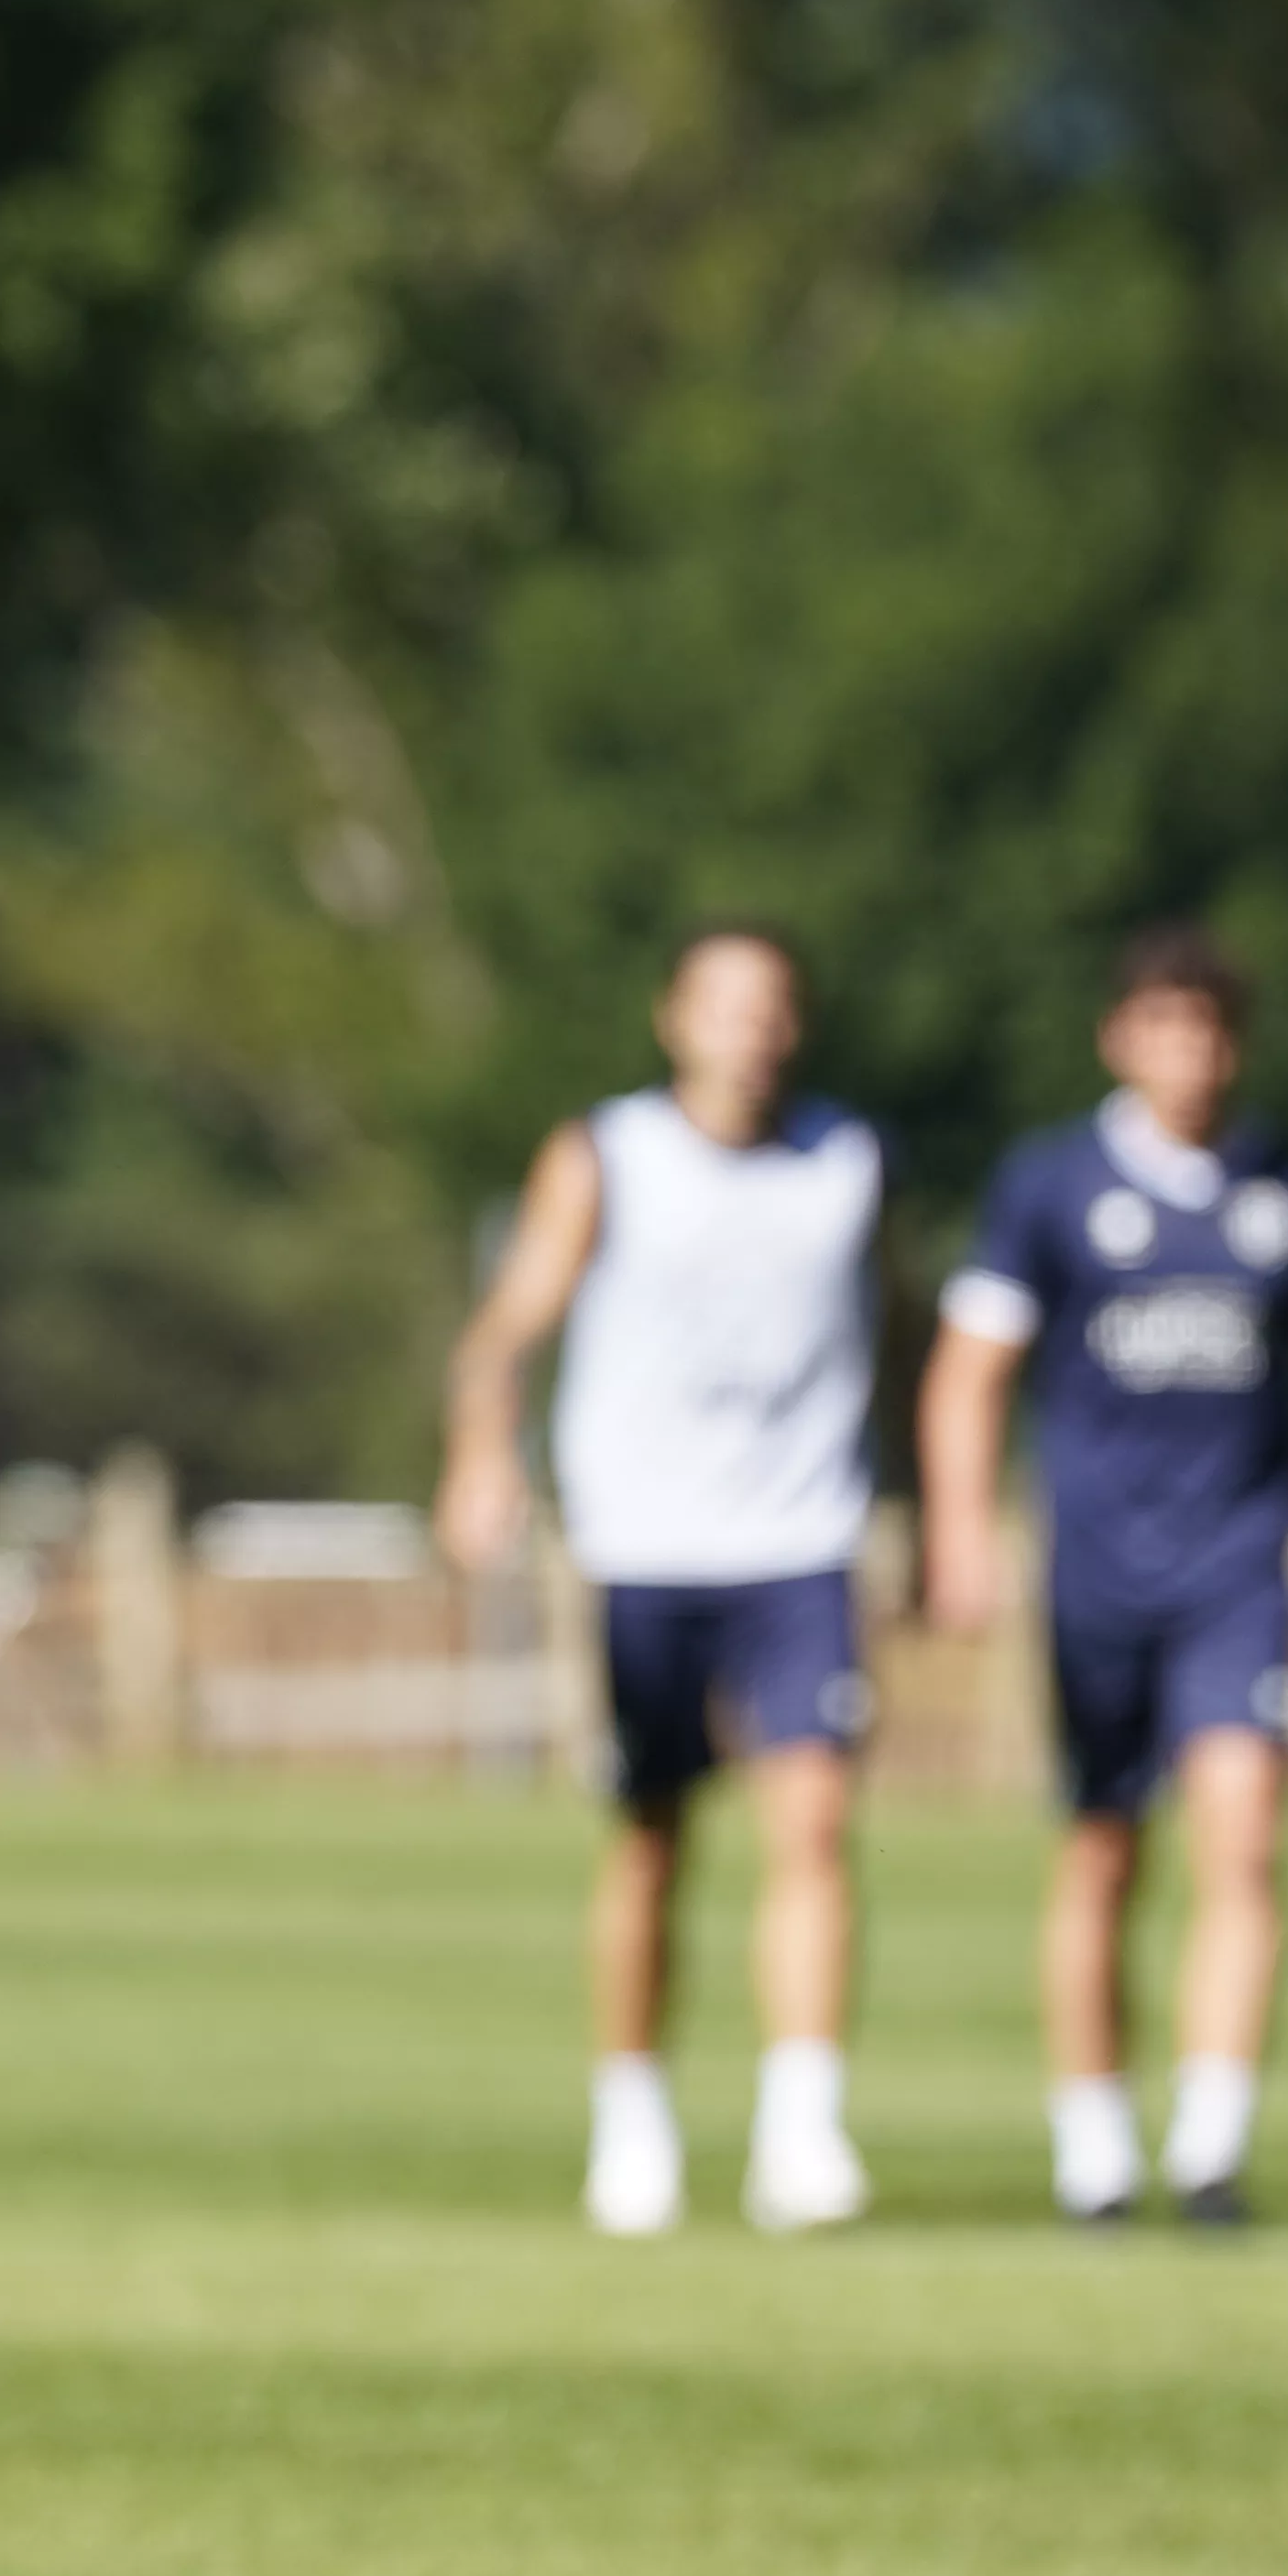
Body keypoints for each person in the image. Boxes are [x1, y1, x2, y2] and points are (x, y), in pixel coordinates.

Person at [919, 924, 1288, 2230]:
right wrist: (960, 1531)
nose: (1188, 1053)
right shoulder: (1052, 1185)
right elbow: (970, 1371)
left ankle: (1211, 2148)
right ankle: (1093, 2145)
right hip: (1095, 1575)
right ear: (1118, 1040)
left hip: (1238, 1568)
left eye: (1211, 1028)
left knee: (1244, 1841)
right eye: (1163, 1026)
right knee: (1104, 1855)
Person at [437, 922, 885, 2239]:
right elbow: (503, 1330)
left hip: (801, 1541)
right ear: (673, 1019)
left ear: (795, 1027)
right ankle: (632, 2120)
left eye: (772, 1007)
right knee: (652, 1839)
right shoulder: (606, 1156)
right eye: (723, 1005)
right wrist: (481, 1455)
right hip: (646, 1548)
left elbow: (899, 1327)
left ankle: (802, 2132)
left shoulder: (849, 1161)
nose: (749, 1030)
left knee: (813, 1824)